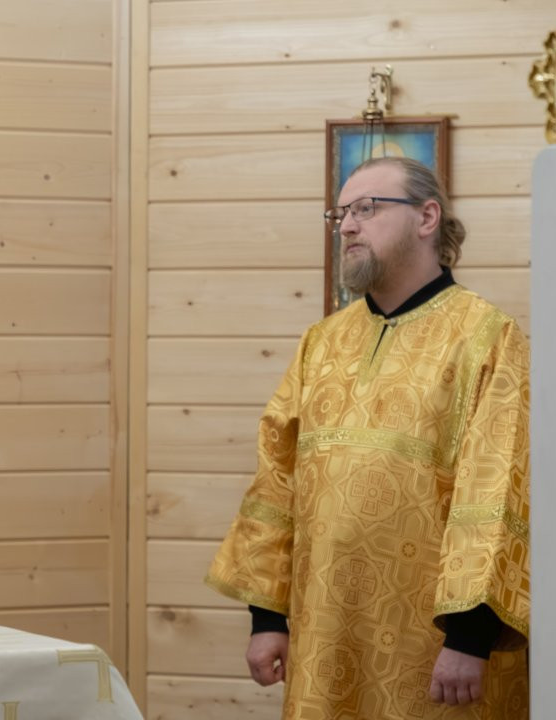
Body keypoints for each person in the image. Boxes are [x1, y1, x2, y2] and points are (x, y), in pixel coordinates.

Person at [205, 156, 530, 719]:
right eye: (341, 215)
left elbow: (497, 487)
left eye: (366, 208)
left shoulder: (487, 338)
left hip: (435, 648)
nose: (348, 226)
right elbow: (277, 481)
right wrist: (268, 618)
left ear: (427, 217)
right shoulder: (322, 342)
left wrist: (470, 637)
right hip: (324, 635)